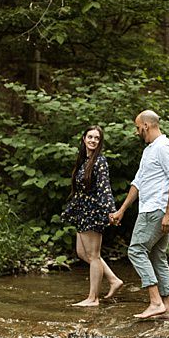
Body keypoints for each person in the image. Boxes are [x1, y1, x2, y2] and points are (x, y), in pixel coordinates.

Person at [109, 110, 169, 319]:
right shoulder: (149, 150)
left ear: (146, 126)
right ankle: (168, 309)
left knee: (136, 250)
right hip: (152, 208)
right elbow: (138, 182)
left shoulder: (165, 147)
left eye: (137, 127)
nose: (136, 131)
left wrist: (168, 214)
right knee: (157, 256)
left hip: (157, 210)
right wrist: (122, 210)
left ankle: (155, 301)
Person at [61, 125, 124, 307]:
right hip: (82, 211)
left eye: (97, 138)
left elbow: (105, 188)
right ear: (84, 139)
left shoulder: (100, 161)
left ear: (100, 142)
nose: (93, 140)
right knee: (82, 253)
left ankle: (93, 298)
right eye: (90, 137)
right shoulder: (84, 161)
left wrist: (111, 211)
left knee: (94, 255)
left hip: (94, 212)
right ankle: (113, 279)